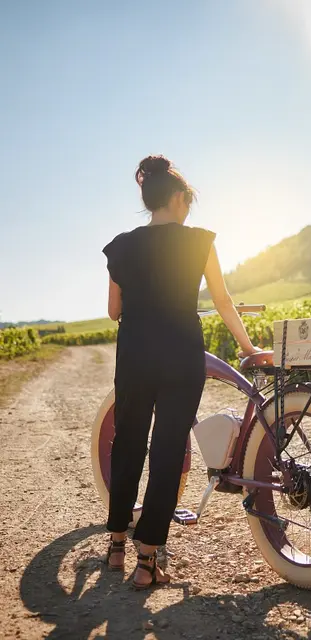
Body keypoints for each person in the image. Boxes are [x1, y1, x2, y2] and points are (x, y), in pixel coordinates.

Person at [102, 155, 259, 588]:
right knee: (168, 449)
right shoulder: (199, 242)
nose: (189, 208)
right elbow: (224, 302)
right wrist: (249, 347)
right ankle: (147, 560)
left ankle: (116, 544)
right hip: (180, 352)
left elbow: (113, 310)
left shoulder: (119, 246)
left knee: (128, 442)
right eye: (187, 201)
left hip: (134, 355)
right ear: (175, 198)